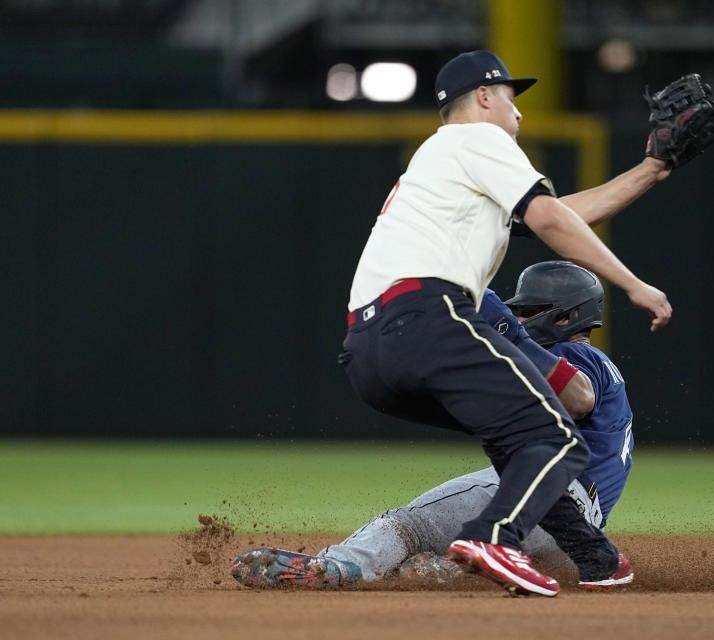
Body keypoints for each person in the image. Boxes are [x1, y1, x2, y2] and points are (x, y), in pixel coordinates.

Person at [236, 49, 673, 598]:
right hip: (427, 316)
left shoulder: (442, 172)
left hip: (368, 348)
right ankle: (498, 539)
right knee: (553, 439)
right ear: (485, 96)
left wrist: (654, 168)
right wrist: (632, 283)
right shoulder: (480, 139)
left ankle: (590, 559)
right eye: (512, 99)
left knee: (520, 438)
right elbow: (548, 217)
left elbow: (559, 213)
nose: (518, 115)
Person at [232, 264, 637, 592]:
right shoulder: (591, 367)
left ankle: (336, 566)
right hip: (573, 534)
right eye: (516, 311)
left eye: (528, 311)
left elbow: (579, 397)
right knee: (445, 551)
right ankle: (446, 572)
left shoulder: (574, 354)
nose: (517, 318)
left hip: (548, 495)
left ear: (567, 316)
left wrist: (509, 336)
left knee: (408, 525)